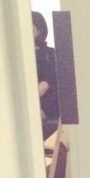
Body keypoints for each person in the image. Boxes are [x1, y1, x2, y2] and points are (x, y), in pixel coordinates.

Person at [32, 11, 60, 139]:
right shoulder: (16, 57)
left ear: (39, 29)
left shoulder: (50, 54)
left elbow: (47, 84)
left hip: (46, 107)